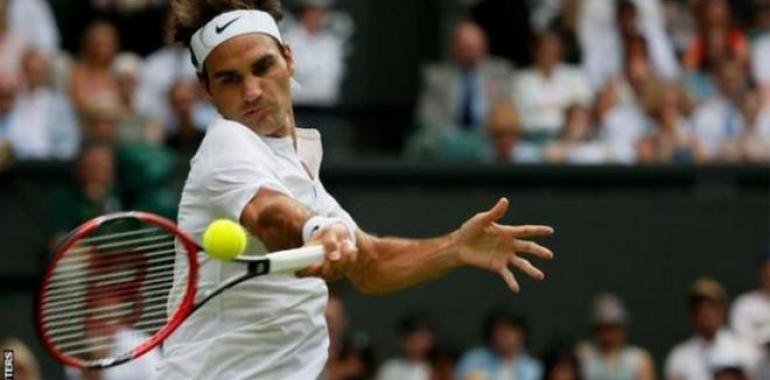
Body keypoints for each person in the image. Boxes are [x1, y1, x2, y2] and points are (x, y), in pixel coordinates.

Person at [159, 1, 555, 379]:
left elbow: (372, 265)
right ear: (206, 90)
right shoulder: (226, 141)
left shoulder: (304, 175)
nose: (251, 91)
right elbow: (268, 215)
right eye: (230, 79)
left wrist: (454, 247)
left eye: (262, 67)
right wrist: (316, 230)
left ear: (289, 59)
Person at [409, 20, 513, 158]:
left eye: (477, 48)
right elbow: (427, 117)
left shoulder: (499, 72)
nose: (472, 54)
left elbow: (506, 111)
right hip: (448, 138)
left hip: (488, 136)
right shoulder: (436, 76)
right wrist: (455, 138)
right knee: (420, 143)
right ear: (454, 48)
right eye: (467, 48)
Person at [664, 278, 758, 380]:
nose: (705, 313)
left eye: (712, 307)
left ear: (723, 310)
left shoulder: (744, 350)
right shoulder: (680, 356)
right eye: (699, 308)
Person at [512, 31, 592, 144]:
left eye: (553, 51)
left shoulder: (575, 76)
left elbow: (583, 111)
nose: (549, 55)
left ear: (560, 52)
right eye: (545, 51)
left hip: (569, 138)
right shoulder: (521, 80)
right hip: (531, 137)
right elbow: (518, 116)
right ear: (536, 52)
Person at [4, 47, 79, 160]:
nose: (33, 77)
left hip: (47, 165)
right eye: (29, 71)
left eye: (38, 73)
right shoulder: (9, 99)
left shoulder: (59, 104)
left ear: (45, 74)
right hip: (13, 163)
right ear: (21, 72)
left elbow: (69, 142)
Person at [282, 0, 347, 106]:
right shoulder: (287, 40)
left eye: (324, 11)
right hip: (297, 109)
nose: (320, 16)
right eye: (315, 11)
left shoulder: (332, 43)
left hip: (328, 108)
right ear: (303, 12)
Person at [576, 293, 655, 380]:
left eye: (612, 327)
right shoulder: (583, 355)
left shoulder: (638, 359)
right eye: (602, 327)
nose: (607, 333)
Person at [456, 309, 542, 380]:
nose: (505, 335)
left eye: (511, 330)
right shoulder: (472, 360)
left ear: (522, 335)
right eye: (501, 330)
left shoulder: (533, 367)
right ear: (491, 333)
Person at [730, 248, 770, 351]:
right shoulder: (744, 304)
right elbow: (740, 344)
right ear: (761, 272)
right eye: (767, 269)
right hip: (756, 363)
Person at [377, 314, 435, 380]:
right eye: (420, 337)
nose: (424, 343)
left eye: (427, 338)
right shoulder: (391, 368)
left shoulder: (438, 369)